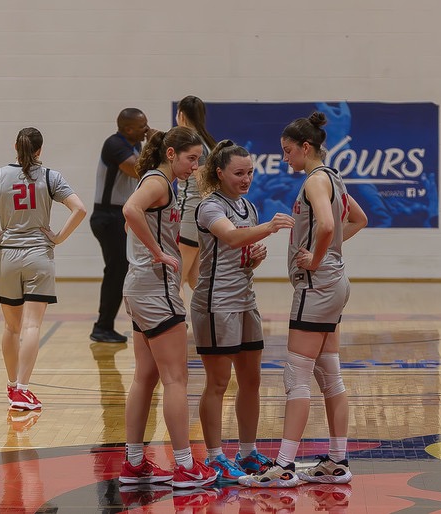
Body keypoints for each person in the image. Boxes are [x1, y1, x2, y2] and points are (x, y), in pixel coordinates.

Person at [239, 112, 368, 488]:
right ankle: (338, 461)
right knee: (329, 374)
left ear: (306, 148)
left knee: (296, 375)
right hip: (335, 281)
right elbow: (358, 219)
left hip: (317, 285)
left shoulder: (315, 181)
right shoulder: (334, 177)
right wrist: (325, 250)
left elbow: (328, 225)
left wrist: (314, 255)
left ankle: (284, 466)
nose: (285, 159)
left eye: (288, 151)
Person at [118, 126, 218, 488]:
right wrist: (159, 251)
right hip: (156, 288)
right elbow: (130, 210)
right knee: (176, 379)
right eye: (192, 159)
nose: (195, 166)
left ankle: (133, 464)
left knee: (145, 378)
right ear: (172, 153)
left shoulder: (161, 181)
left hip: (141, 288)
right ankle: (185, 466)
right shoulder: (159, 182)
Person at [0, 127, 87, 411]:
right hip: (39, 255)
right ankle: (23, 390)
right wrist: (58, 237)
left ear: (15, 147)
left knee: (10, 326)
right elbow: (79, 209)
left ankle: (11, 386)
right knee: (31, 326)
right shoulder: (51, 177)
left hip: (8, 256)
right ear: (40, 150)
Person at [191, 140, 294, 482]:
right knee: (218, 383)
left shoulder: (248, 205)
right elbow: (232, 238)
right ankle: (215, 455)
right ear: (219, 173)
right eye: (238, 173)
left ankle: (247, 451)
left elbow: (239, 249)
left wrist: (253, 258)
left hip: (245, 301)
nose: (246, 178)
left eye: (250, 172)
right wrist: (269, 227)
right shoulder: (209, 207)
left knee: (252, 380)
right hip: (215, 303)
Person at [90, 108, 153, 344]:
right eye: (142, 125)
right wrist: (154, 145)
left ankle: (105, 325)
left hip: (119, 216)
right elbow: (138, 170)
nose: (146, 128)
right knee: (116, 271)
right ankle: (102, 326)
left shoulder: (134, 146)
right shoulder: (114, 144)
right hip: (108, 216)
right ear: (128, 128)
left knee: (120, 271)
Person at [175, 95, 217, 294]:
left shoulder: (191, 143)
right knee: (196, 281)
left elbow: (203, 186)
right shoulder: (205, 142)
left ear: (181, 115)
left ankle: (177, 325)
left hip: (189, 216)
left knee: (176, 280)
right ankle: (210, 323)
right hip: (198, 217)